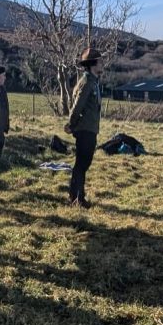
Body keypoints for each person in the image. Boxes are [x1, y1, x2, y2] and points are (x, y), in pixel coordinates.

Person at [64, 48, 103, 208]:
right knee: (81, 164)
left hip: (90, 128)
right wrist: (71, 124)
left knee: (84, 164)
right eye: (100, 61)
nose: (103, 64)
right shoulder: (87, 82)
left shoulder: (93, 81)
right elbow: (77, 106)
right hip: (85, 129)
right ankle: (76, 198)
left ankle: (78, 196)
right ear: (93, 64)